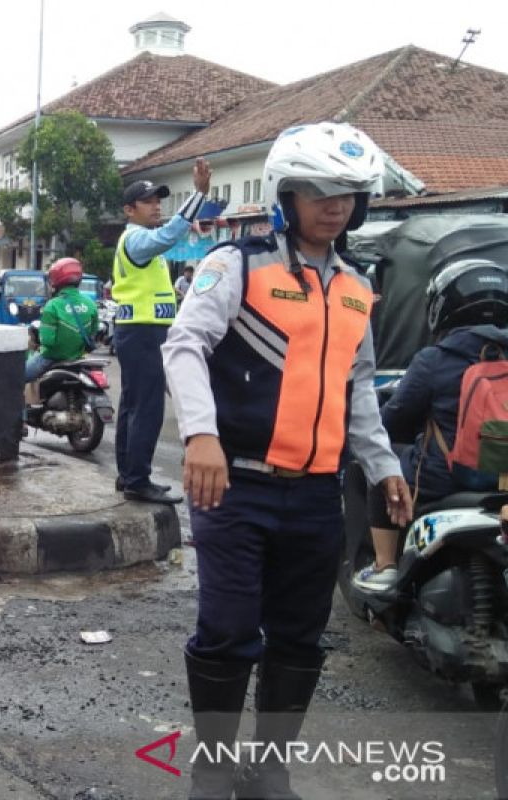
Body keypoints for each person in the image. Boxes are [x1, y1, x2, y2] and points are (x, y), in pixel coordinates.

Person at [162, 122, 413, 799]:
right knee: (228, 631)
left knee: (301, 637)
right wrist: (201, 435)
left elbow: (356, 388)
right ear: (289, 194)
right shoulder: (237, 264)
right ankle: (214, 764)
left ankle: (268, 767)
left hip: (315, 495)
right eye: (321, 191)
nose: (335, 206)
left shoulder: (358, 287)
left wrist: (384, 464)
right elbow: (184, 345)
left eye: (349, 194)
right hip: (235, 487)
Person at [353, 258, 508, 592]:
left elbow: (394, 420)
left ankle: (385, 565)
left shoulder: (436, 358)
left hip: (449, 475)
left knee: (379, 461)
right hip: (504, 475)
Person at [113, 159, 211, 503]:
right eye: (149, 201)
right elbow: (171, 233)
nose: (157, 206)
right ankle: (138, 479)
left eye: (159, 201)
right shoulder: (137, 239)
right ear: (130, 210)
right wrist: (197, 196)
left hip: (138, 330)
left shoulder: (140, 239)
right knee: (148, 407)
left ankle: (128, 475)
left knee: (132, 405)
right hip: (143, 331)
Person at [24, 257, 98, 381]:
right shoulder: (90, 304)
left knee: (18, 378)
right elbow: (93, 332)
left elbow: (48, 341)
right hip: (78, 358)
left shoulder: (53, 305)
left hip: (51, 358)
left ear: (56, 280)